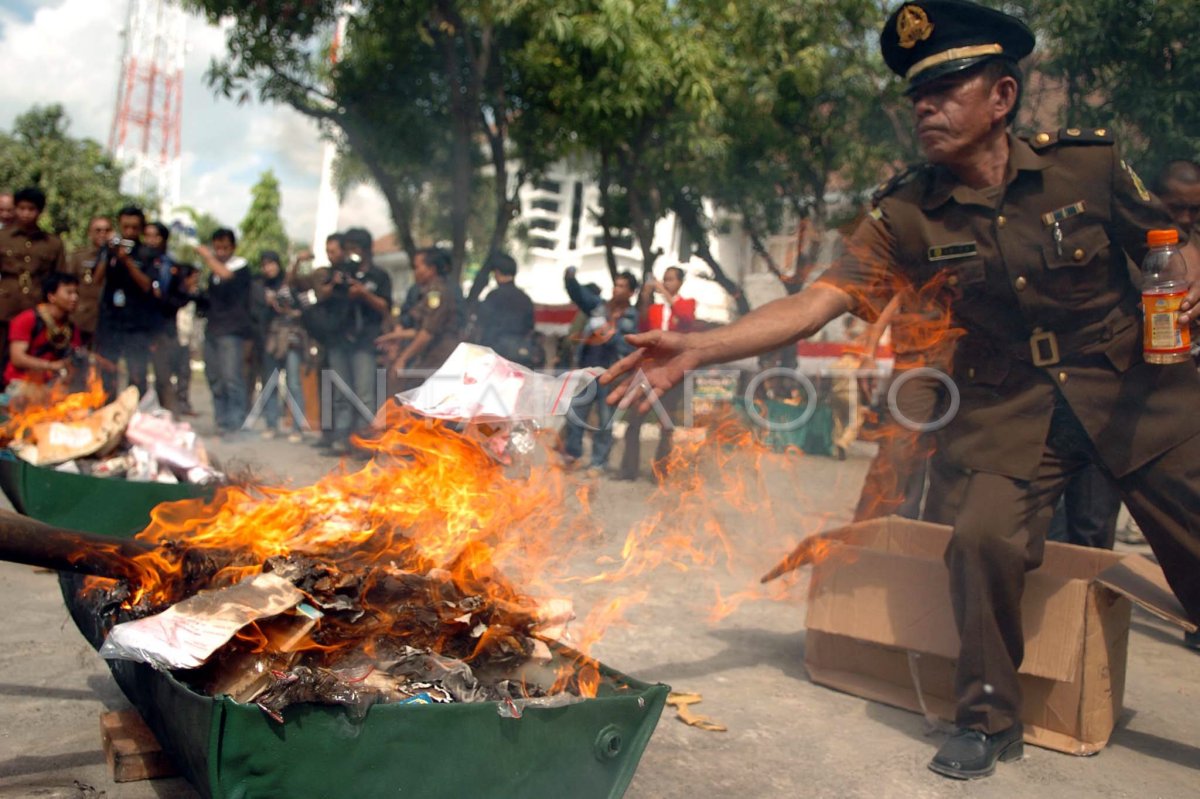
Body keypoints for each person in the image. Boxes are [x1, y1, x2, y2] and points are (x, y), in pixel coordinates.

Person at [602, 0, 1200, 780]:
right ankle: (988, 720)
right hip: (1010, 407)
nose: (926, 105)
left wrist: (1188, 276)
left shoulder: (1083, 166)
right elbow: (816, 301)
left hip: (1133, 388)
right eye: (918, 92)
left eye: (948, 87)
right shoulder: (904, 214)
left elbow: (1165, 237)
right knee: (980, 538)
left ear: (1002, 98)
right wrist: (700, 345)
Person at [616, 267, 694, 481]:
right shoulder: (656, 309)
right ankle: (628, 470)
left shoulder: (687, 303)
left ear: (680, 282)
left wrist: (663, 291)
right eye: (664, 280)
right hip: (650, 370)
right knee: (634, 420)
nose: (666, 283)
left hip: (674, 372)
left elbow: (686, 318)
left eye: (670, 280)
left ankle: (661, 472)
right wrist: (645, 296)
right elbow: (642, 326)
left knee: (666, 424)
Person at [318, 228, 392, 454]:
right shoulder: (339, 274)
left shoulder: (379, 276)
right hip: (339, 340)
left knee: (364, 393)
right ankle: (341, 438)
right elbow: (321, 298)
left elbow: (385, 306)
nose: (351, 255)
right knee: (340, 392)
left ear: (366, 251)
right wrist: (335, 285)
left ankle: (365, 441)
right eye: (348, 250)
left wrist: (363, 293)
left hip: (365, 342)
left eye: (355, 250)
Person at [562, 267, 638, 477]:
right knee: (575, 414)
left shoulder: (632, 317)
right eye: (616, 285)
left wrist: (606, 332)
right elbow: (580, 296)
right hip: (588, 370)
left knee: (604, 421)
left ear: (631, 292)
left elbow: (627, 347)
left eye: (623, 286)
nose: (617, 290)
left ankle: (598, 463)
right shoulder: (599, 307)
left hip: (612, 373)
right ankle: (573, 456)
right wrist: (570, 280)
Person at [0, 187, 67, 383]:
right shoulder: (3, 238)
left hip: (36, 312)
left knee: (31, 358)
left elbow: (59, 279)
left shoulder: (52, 244)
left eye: (31, 209)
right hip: (4, 306)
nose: (26, 214)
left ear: (39, 211)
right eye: (21, 208)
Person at [95, 206, 160, 399]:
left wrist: (128, 261)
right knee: (107, 369)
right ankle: (107, 409)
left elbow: (147, 285)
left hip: (136, 322)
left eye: (134, 227)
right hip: (111, 319)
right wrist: (109, 255)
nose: (130, 232)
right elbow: (96, 280)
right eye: (126, 227)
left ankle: (136, 413)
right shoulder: (108, 250)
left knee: (137, 371)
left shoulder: (147, 253)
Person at [196, 228, 254, 435]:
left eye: (225, 248)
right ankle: (221, 421)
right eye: (216, 248)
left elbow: (227, 275)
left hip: (232, 331)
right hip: (212, 329)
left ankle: (236, 423)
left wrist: (208, 257)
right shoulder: (213, 272)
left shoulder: (241, 267)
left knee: (232, 378)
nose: (220, 252)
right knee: (214, 377)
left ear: (233, 247)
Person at [378, 247, 456, 395]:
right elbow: (419, 329)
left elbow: (426, 333)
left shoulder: (437, 293)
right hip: (430, 355)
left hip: (439, 356)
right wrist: (393, 336)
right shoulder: (427, 292)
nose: (414, 272)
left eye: (417, 267)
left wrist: (402, 358)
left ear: (431, 269)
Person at [258, 250, 313, 442]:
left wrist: (295, 314)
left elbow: (305, 311)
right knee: (270, 382)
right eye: (265, 265)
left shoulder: (295, 286)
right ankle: (271, 424)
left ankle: (297, 427)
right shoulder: (260, 286)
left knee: (294, 383)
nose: (268, 268)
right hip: (272, 338)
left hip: (292, 338)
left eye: (271, 263)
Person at [3, 272, 82, 391]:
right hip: (20, 383)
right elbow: (17, 358)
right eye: (69, 292)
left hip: (50, 385)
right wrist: (51, 366)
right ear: (51, 296)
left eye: (76, 293)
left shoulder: (71, 328)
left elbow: (73, 359)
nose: (75, 298)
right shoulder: (27, 319)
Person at [475, 251, 537, 367]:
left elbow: (482, 324)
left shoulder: (494, 296)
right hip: (519, 356)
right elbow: (530, 327)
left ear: (497, 273)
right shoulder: (525, 299)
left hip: (496, 355)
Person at [64, 216, 112, 348]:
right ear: (89, 233)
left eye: (107, 230)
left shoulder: (119, 258)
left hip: (108, 320)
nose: (103, 234)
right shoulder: (78, 257)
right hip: (82, 318)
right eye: (98, 230)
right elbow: (67, 285)